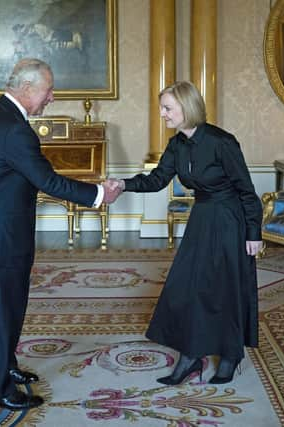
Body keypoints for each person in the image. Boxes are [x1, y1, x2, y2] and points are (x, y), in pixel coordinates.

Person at [0, 58, 121, 410]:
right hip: (0, 239)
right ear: (29, 88)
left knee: (10, 306)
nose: (52, 96)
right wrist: (99, 195)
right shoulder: (14, 129)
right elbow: (47, 181)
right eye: (49, 90)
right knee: (8, 310)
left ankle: (8, 366)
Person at [107, 81, 263, 385]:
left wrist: (254, 233)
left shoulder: (222, 142)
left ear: (186, 107)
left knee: (226, 287)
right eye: (161, 108)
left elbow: (247, 191)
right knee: (189, 286)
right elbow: (156, 180)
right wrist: (124, 183)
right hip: (202, 217)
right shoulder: (176, 144)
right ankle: (190, 355)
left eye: (167, 108)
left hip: (231, 220)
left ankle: (230, 355)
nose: (162, 114)